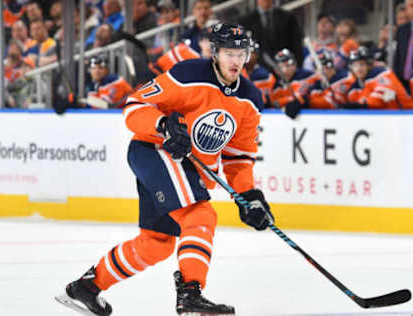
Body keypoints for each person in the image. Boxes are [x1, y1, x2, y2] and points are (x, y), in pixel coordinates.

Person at [55, 23, 274, 316]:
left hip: (185, 167)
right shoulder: (188, 75)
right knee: (200, 214)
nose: (235, 61)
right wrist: (162, 125)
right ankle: (190, 294)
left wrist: (249, 196)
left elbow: (238, 157)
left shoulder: (250, 100)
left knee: (157, 244)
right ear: (215, 53)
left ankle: (86, 288)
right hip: (154, 152)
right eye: (228, 53)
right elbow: (134, 106)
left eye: (241, 54)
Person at [345, 46, 413, 109]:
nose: (358, 69)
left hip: (407, 115)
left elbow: (380, 99)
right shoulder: (354, 89)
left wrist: (361, 104)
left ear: (369, 65)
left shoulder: (382, 74)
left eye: (362, 64)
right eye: (355, 65)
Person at [240, 0, 304, 66]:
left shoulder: (288, 18)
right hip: (259, 70)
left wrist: (296, 67)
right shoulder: (245, 21)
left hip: (286, 68)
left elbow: (297, 46)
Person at [269, 48, 316, 114]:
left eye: (288, 66)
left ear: (295, 65)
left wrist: (303, 101)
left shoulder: (307, 76)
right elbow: (274, 104)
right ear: (275, 70)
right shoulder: (276, 87)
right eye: (280, 67)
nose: (285, 70)